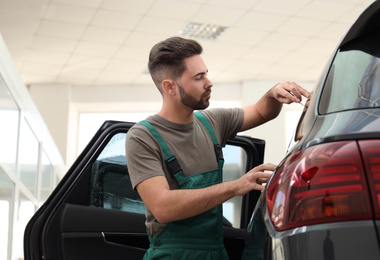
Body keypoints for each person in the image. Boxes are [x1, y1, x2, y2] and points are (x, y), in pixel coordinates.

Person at [125, 36, 311, 259]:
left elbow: (262, 111)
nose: (209, 82)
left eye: (206, 73)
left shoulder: (212, 122)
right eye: (198, 77)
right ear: (170, 86)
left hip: (216, 252)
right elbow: (163, 207)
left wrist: (274, 93)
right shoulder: (143, 137)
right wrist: (236, 186)